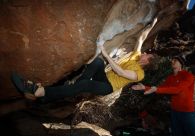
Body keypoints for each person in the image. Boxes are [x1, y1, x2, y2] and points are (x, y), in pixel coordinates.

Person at [11, 18, 158, 102]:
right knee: (97, 62)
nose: (145, 53)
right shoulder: (136, 55)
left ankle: (39, 92)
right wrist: (153, 22)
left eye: (147, 55)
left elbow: (119, 71)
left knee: (86, 82)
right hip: (104, 76)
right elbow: (141, 39)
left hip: (107, 87)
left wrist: (106, 54)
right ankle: (75, 86)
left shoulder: (139, 74)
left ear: (147, 62)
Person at [132, 56, 195, 136]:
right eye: (172, 60)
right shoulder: (170, 78)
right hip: (174, 112)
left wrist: (155, 89)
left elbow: (177, 89)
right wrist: (145, 87)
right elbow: (162, 88)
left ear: (181, 64)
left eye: (175, 60)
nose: (172, 61)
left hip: (187, 113)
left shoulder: (188, 76)